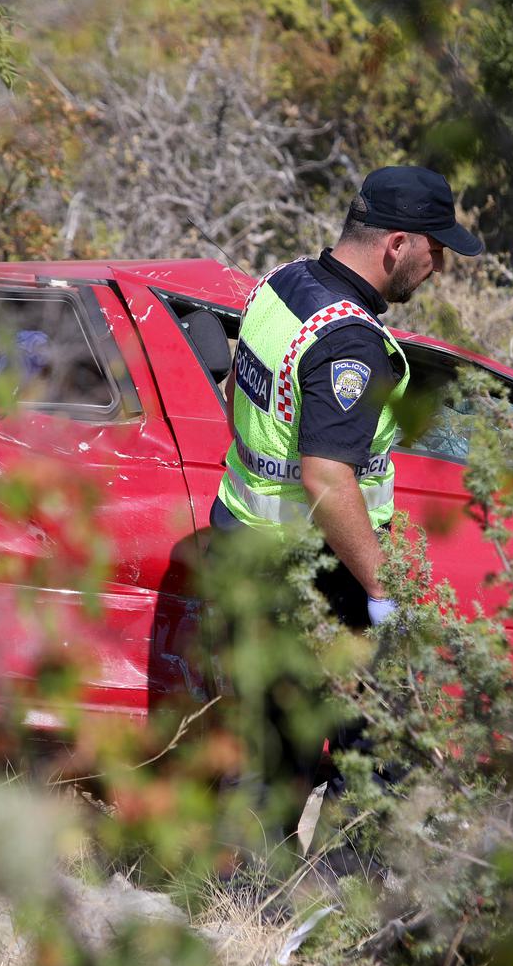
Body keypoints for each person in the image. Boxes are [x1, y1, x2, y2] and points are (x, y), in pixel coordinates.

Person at [207, 165, 483, 793]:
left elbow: (235, 390)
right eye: (434, 251)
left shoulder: (282, 283)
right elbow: (327, 478)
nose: (435, 267)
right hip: (304, 572)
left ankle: (245, 891)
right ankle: (350, 884)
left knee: (268, 745)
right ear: (397, 245)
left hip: (239, 542)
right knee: (375, 748)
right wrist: (384, 593)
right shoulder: (351, 346)